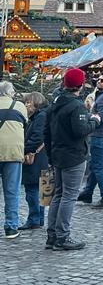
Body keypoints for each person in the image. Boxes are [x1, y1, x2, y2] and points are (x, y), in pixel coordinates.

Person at [44, 68, 94, 252]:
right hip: (73, 156)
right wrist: (94, 121)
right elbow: (80, 131)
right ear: (80, 85)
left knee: (58, 194)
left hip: (57, 154)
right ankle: (62, 237)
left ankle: (52, 235)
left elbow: (46, 132)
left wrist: (50, 155)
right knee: (69, 196)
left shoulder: (54, 103)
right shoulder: (76, 106)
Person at [78, 72, 103, 210]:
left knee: (98, 167)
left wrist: (87, 115)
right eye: (98, 79)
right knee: (95, 165)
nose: (99, 81)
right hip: (101, 135)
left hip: (101, 135)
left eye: (102, 80)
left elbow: (102, 118)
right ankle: (88, 193)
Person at [0, 81, 28, 239]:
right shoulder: (19, 106)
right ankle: (11, 227)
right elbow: (24, 124)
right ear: (10, 92)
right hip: (13, 152)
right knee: (12, 191)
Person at [20, 92, 49, 231]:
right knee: (41, 190)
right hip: (42, 157)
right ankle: (39, 219)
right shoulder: (40, 115)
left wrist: (23, 149)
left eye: (28, 102)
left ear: (35, 102)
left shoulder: (40, 117)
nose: (26, 105)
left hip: (37, 157)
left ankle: (34, 219)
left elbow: (37, 137)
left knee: (32, 189)